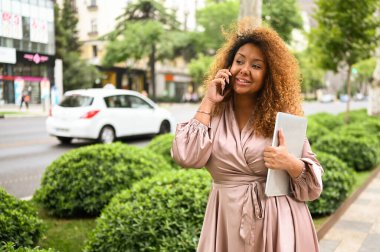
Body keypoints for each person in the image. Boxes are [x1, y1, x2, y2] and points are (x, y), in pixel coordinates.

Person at [171, 20, 323, 252]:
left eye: (256, 65)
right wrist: (209, 100)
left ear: (269, 75)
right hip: (226, 221)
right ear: (228, 66)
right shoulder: (213, 113)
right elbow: (186, 156)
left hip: (278, 223)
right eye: (239, 61)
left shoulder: (281, 119)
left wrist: (291, 163)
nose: (244, 69)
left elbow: (312, 188)